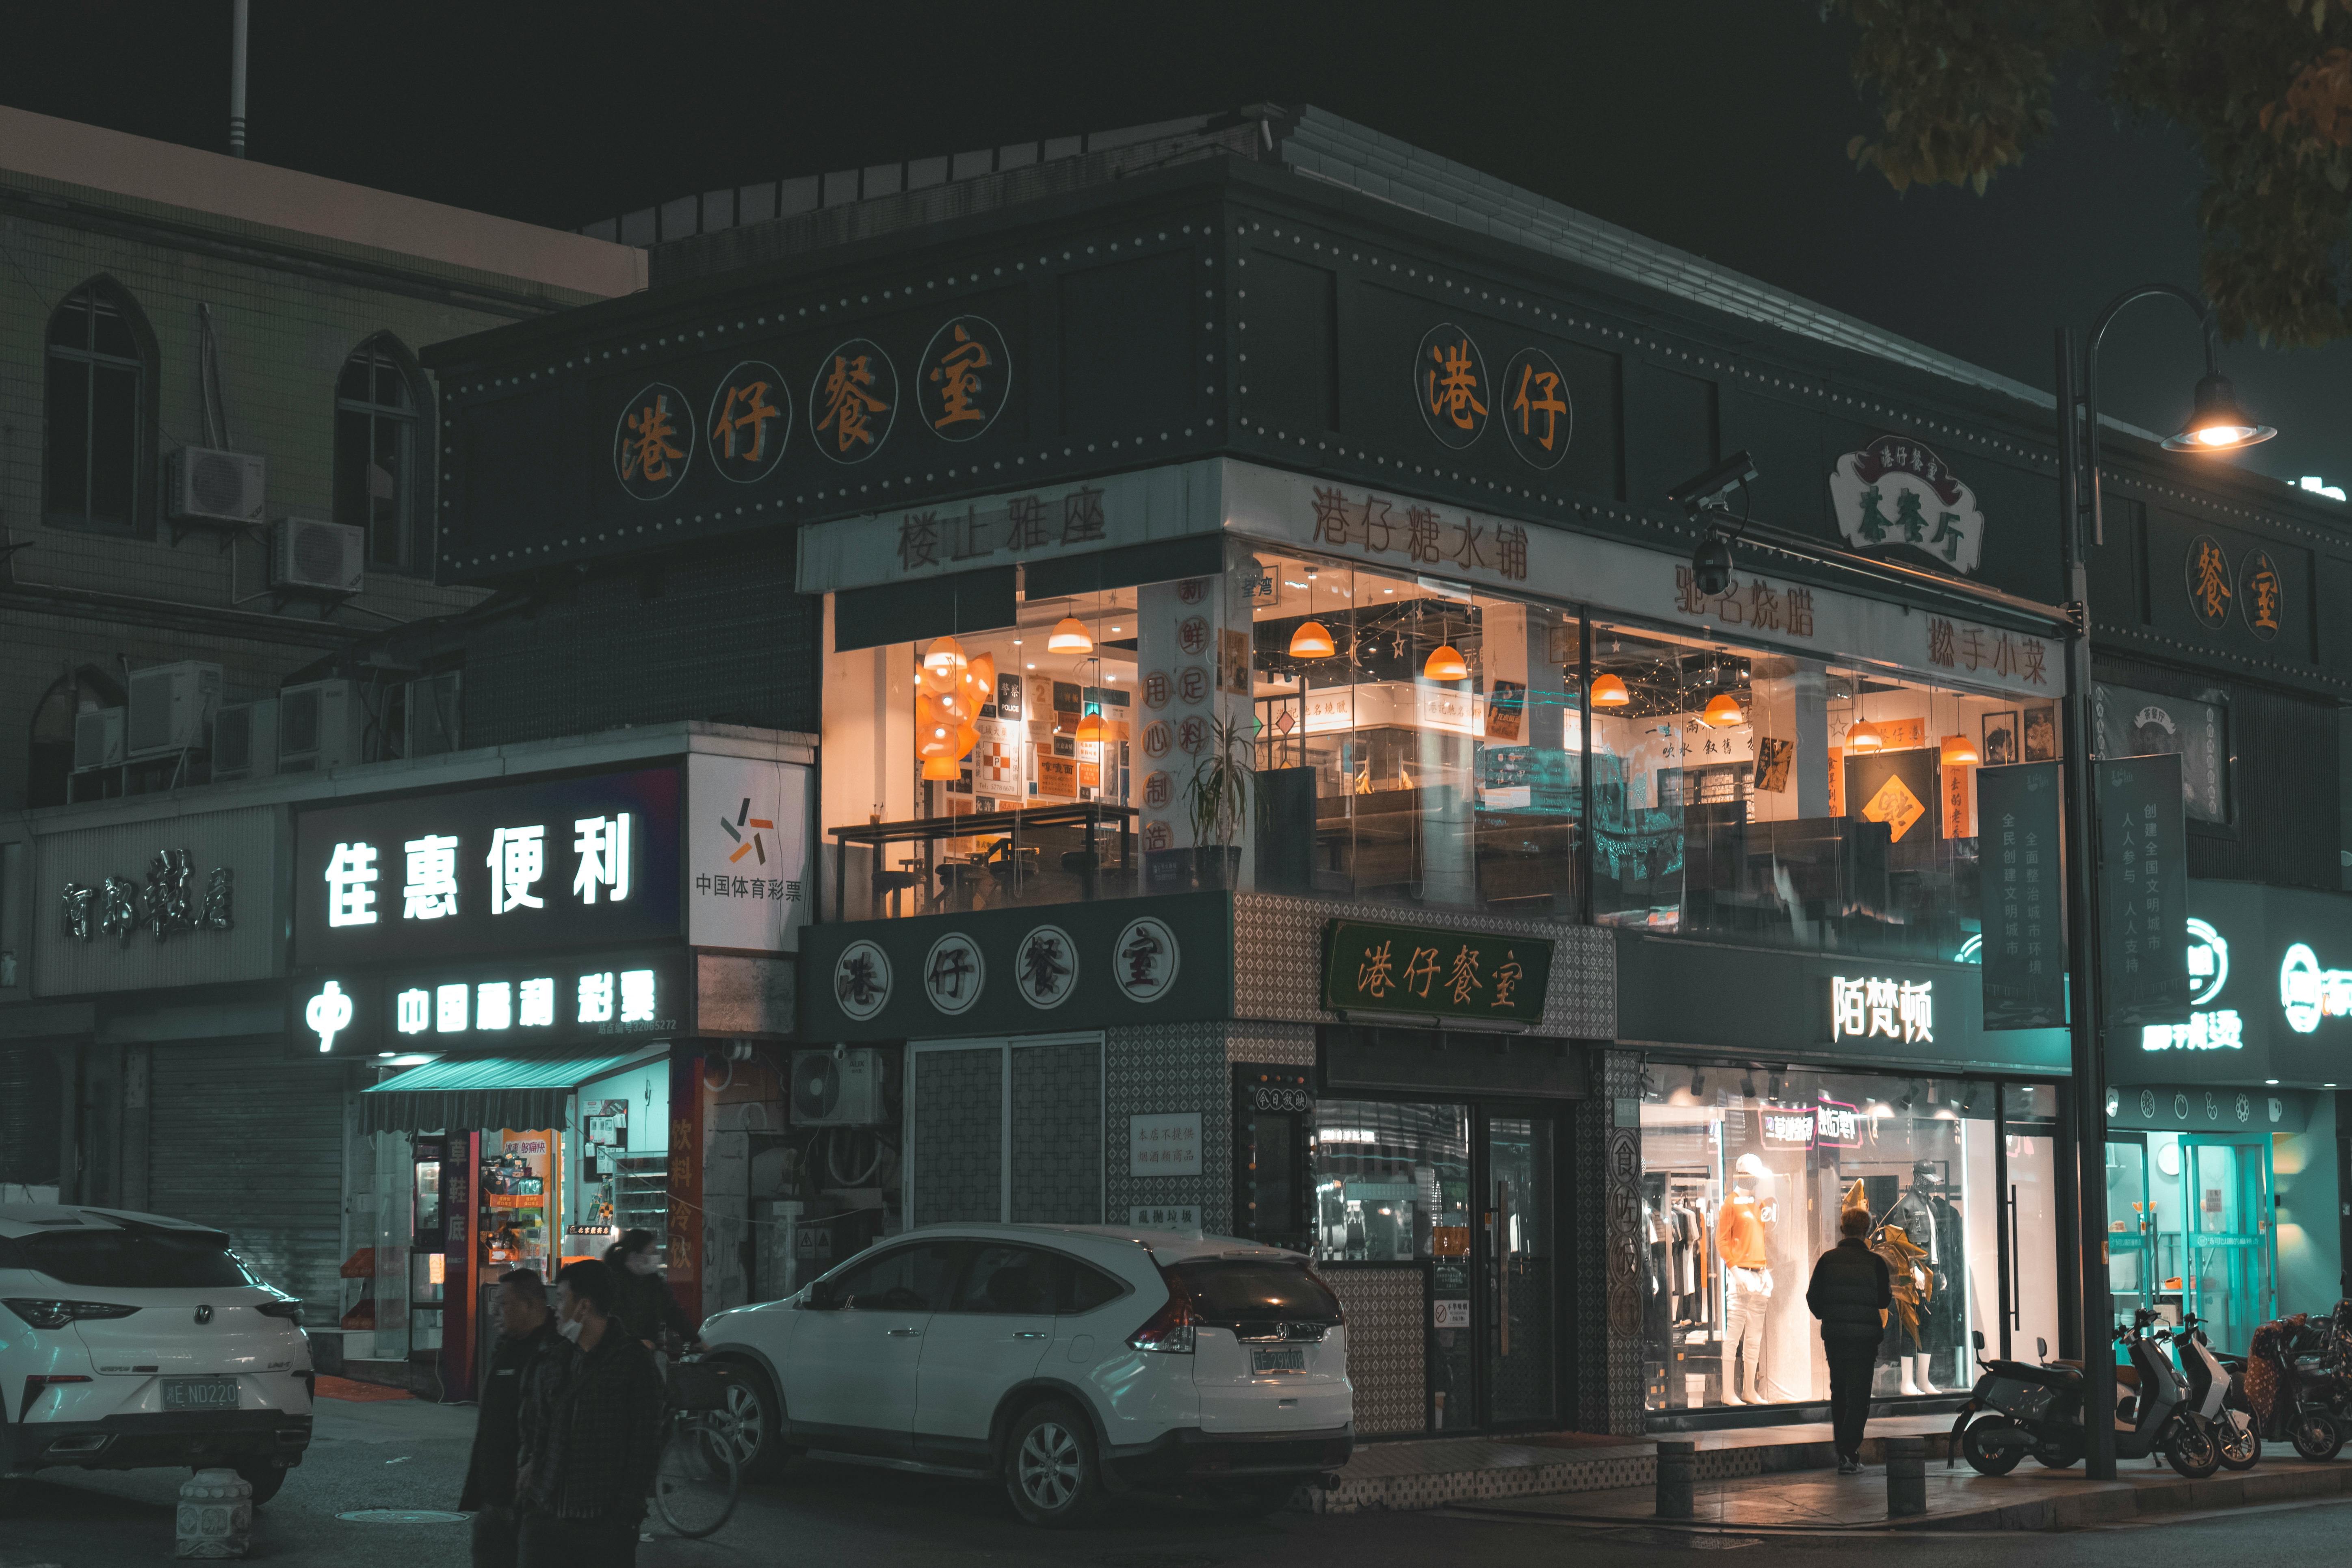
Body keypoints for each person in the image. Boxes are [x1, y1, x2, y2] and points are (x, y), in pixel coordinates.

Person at [515, 1258, 666, 1568]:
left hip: (601, 1522)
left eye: (560, 1299)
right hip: (547, 1512)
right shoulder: (556, 1358)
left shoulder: (633, 1364)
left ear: (583, 1307)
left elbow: (645, 1445)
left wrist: (625, 1516)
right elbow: (538, 1426)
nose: (554, 1309)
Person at [461, 1269, 559, 1567]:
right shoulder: (506, 1346)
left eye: (503, 1303)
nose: (495, 1311)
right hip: (495, 1494)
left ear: (530, 1305)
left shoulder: (554, 1353)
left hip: (528, 1499)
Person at [1807, 1205, 1894, 1474]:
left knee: (1840, 1392)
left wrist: (1828, 1316)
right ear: (1867, 1231)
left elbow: (1813, 1298)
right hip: (1865, 1339)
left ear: (1843, 1229)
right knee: (1859, 1396)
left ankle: (1844, 1453)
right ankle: (1849, 1451)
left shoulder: (1827, 1260)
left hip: (1836, 1337)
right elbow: (1884, 1299)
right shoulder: (1875, 1262)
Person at [604, 1230, 701, 1354]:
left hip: (646, 1354)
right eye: (652, 1252)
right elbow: (613, 1322)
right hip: (618, 1356)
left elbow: (673, 1313)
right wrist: (635, 1342)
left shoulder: (655, 1284)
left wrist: (694, 1339)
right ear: (635, 1256)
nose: (656, 1257)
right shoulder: (613, 1284)